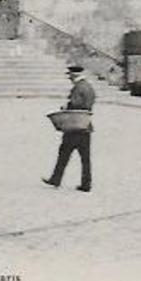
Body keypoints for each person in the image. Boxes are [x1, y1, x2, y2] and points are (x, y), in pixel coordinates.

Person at [43, 64, 96, 192]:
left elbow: (75, 104)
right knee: (85, 157)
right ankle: (86, 184)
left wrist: (66, 107)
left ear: (74, 75)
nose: (69, 78)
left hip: (74, 125)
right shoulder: (88, 86)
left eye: (70, 76)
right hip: (85, 125)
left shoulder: (78, 88)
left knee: (64, 153)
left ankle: (56, 179)